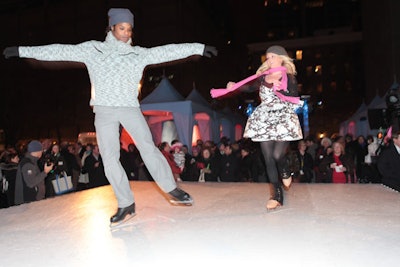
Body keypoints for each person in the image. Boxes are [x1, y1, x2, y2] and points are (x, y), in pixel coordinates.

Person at [3, 8, 217, 225]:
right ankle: (126, 203)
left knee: (147, 146)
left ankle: (171, 188)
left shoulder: (137, 54)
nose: (126, 33)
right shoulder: (93, 50)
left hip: (129, 108)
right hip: (104, 111)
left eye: (130, 29)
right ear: (112, 27)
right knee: (109, 158)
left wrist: (198, 48)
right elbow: (59, 50)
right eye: (122, 28)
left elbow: (167, 51)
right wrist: (21, 51)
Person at [223, 45, 303, 209]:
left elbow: (294, 96)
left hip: (283, 117)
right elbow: (249, 87)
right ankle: (277, 195)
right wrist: (235, 86)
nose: (269, 59)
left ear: (281, 58)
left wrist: (281, 87)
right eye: (268, 57)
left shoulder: (289, 76)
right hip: (264, 118)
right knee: (267, 158)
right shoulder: (263, 76)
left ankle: (285, 170)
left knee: (277, 154)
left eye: (273, 56)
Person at [14, 140, 54, 205]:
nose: (42, 152)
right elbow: (31, 183)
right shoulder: (28, 164)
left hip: (33, 200)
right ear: (37, 151)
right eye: (41, 150)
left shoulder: (33, 162)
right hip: (28, 202)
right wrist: (45, 172)